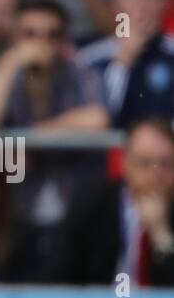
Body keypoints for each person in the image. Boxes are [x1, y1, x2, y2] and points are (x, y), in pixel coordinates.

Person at [50, 116, 174, 287]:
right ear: (125, 163)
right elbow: (64, 275)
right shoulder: (94, 204)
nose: (155, 175)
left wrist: (161, 235)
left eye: (166, 164)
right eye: (145, 163)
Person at [0, 0, 109, 132]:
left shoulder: (79, 71)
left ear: (65, 39)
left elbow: (98, 119)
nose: (41, 43)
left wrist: (39, 130)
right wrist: (11, 61)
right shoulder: (8, 74)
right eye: (30, 34)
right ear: (15, 37)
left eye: (53, 34)